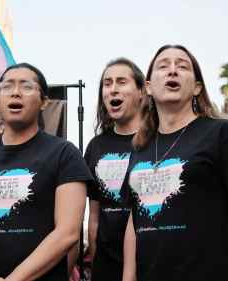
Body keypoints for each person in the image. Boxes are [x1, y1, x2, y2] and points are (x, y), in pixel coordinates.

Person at [121, 45, 228, 281]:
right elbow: (134, 221)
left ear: (197, 87)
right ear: (148, 87)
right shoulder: (139, 148)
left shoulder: (222, 133)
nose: (172, 70)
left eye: (182, 66)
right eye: (163, 65)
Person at [0, 62, 93, 280]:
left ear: (44, 101)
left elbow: (68, 232)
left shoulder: (64, 154)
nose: (15, 92)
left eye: (26, 86)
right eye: (7, 87)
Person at [84, 57, 145, 281]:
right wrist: (96, 259)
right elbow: (94, 215)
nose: (113, 89)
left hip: (150, 260)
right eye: (107, 83)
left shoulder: (158, 141)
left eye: (121, 82)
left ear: (141, 91)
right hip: (107, 265)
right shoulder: (96, 146)